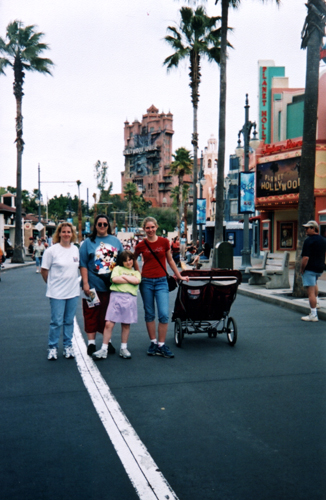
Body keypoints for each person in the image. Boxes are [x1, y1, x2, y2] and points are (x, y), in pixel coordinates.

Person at [134, 216, 189, 358]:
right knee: (150, 313)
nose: (150, 230)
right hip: (145, 281)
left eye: (152, 227)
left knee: (164, 314)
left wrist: (180, 276)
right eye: (147, 228)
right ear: (144, 229)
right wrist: (138, 274)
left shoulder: (164, 242)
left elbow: (170, 260)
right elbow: (133, 259)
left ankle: (161, 344)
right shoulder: (140, 245)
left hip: (161, 281)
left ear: (156, 227)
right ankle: (153, 342)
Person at [79, 214, 123, 355]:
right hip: (92, 286)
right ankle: (91, 343)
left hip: (111, 286)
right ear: (95, 226)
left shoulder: (116, 241)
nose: (102, 226)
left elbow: (123, 261)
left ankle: (107, 341)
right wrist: (85, 283)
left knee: (108, 314)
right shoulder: (87, 242)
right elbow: (83, 264)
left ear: (108, 226)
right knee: (90, 313)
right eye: (100, 224)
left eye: (105, 224)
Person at [41, 222, 80, 360]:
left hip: (73, 292)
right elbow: (44, 271)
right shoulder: (51, 251)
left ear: (72, 234)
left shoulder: (75, 249)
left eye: (69, 232)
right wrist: (52, 284)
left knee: (69, 321)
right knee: (56, 321)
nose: (66, 234)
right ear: (59, 234)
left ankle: (68, 346)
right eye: (63, 232)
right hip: (56, 293)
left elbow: (78, 268)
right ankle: (52, 347)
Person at [92, 250, 141, 360]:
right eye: (125, 261)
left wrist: (123, 277)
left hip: (130, 298)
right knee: (109, 323)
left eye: (130, 260)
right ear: (121, 262)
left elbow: (136, 281)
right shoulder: (117, 269)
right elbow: (114, 279)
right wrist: (129, 279)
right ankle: (104, 349)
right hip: (116, 297)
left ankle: (124, 348)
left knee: (126, 324)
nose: (128, 262)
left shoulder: (136, 272)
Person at [300, 220, 326, 322]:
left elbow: (305, 258)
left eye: (307, 228)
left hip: (310, 268)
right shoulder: (323, 240)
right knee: (314, 283)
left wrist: (302, 269)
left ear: (314, 229)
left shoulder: (308, 241)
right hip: (319, 268)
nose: (306, 230)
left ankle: (313, 314)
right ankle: (317, 302)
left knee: (310, 291)